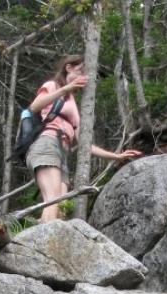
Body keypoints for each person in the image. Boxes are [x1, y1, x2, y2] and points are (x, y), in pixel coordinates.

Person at [26, 55, 142, 223]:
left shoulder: (73, 104)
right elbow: (34, 106)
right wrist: (66, 89)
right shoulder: (53, 85)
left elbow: (85, 145)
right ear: (68, 68)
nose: (83, 77)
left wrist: (116, 156)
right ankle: (38, 245)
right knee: (52, 200)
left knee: (61, 206)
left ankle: (42, 239)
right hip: (46, 143)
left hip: (61, 154)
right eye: (80, 71)